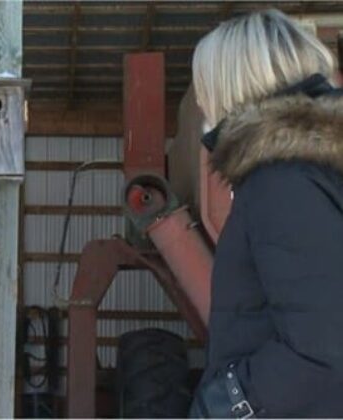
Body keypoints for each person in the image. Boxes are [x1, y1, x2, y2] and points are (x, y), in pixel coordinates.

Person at [189, 9, 343, 418]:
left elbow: (322, 348)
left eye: (203, 86)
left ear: (231, 85)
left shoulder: (281, 178)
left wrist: (226, 404)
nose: (202, 100)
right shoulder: (317, 166)